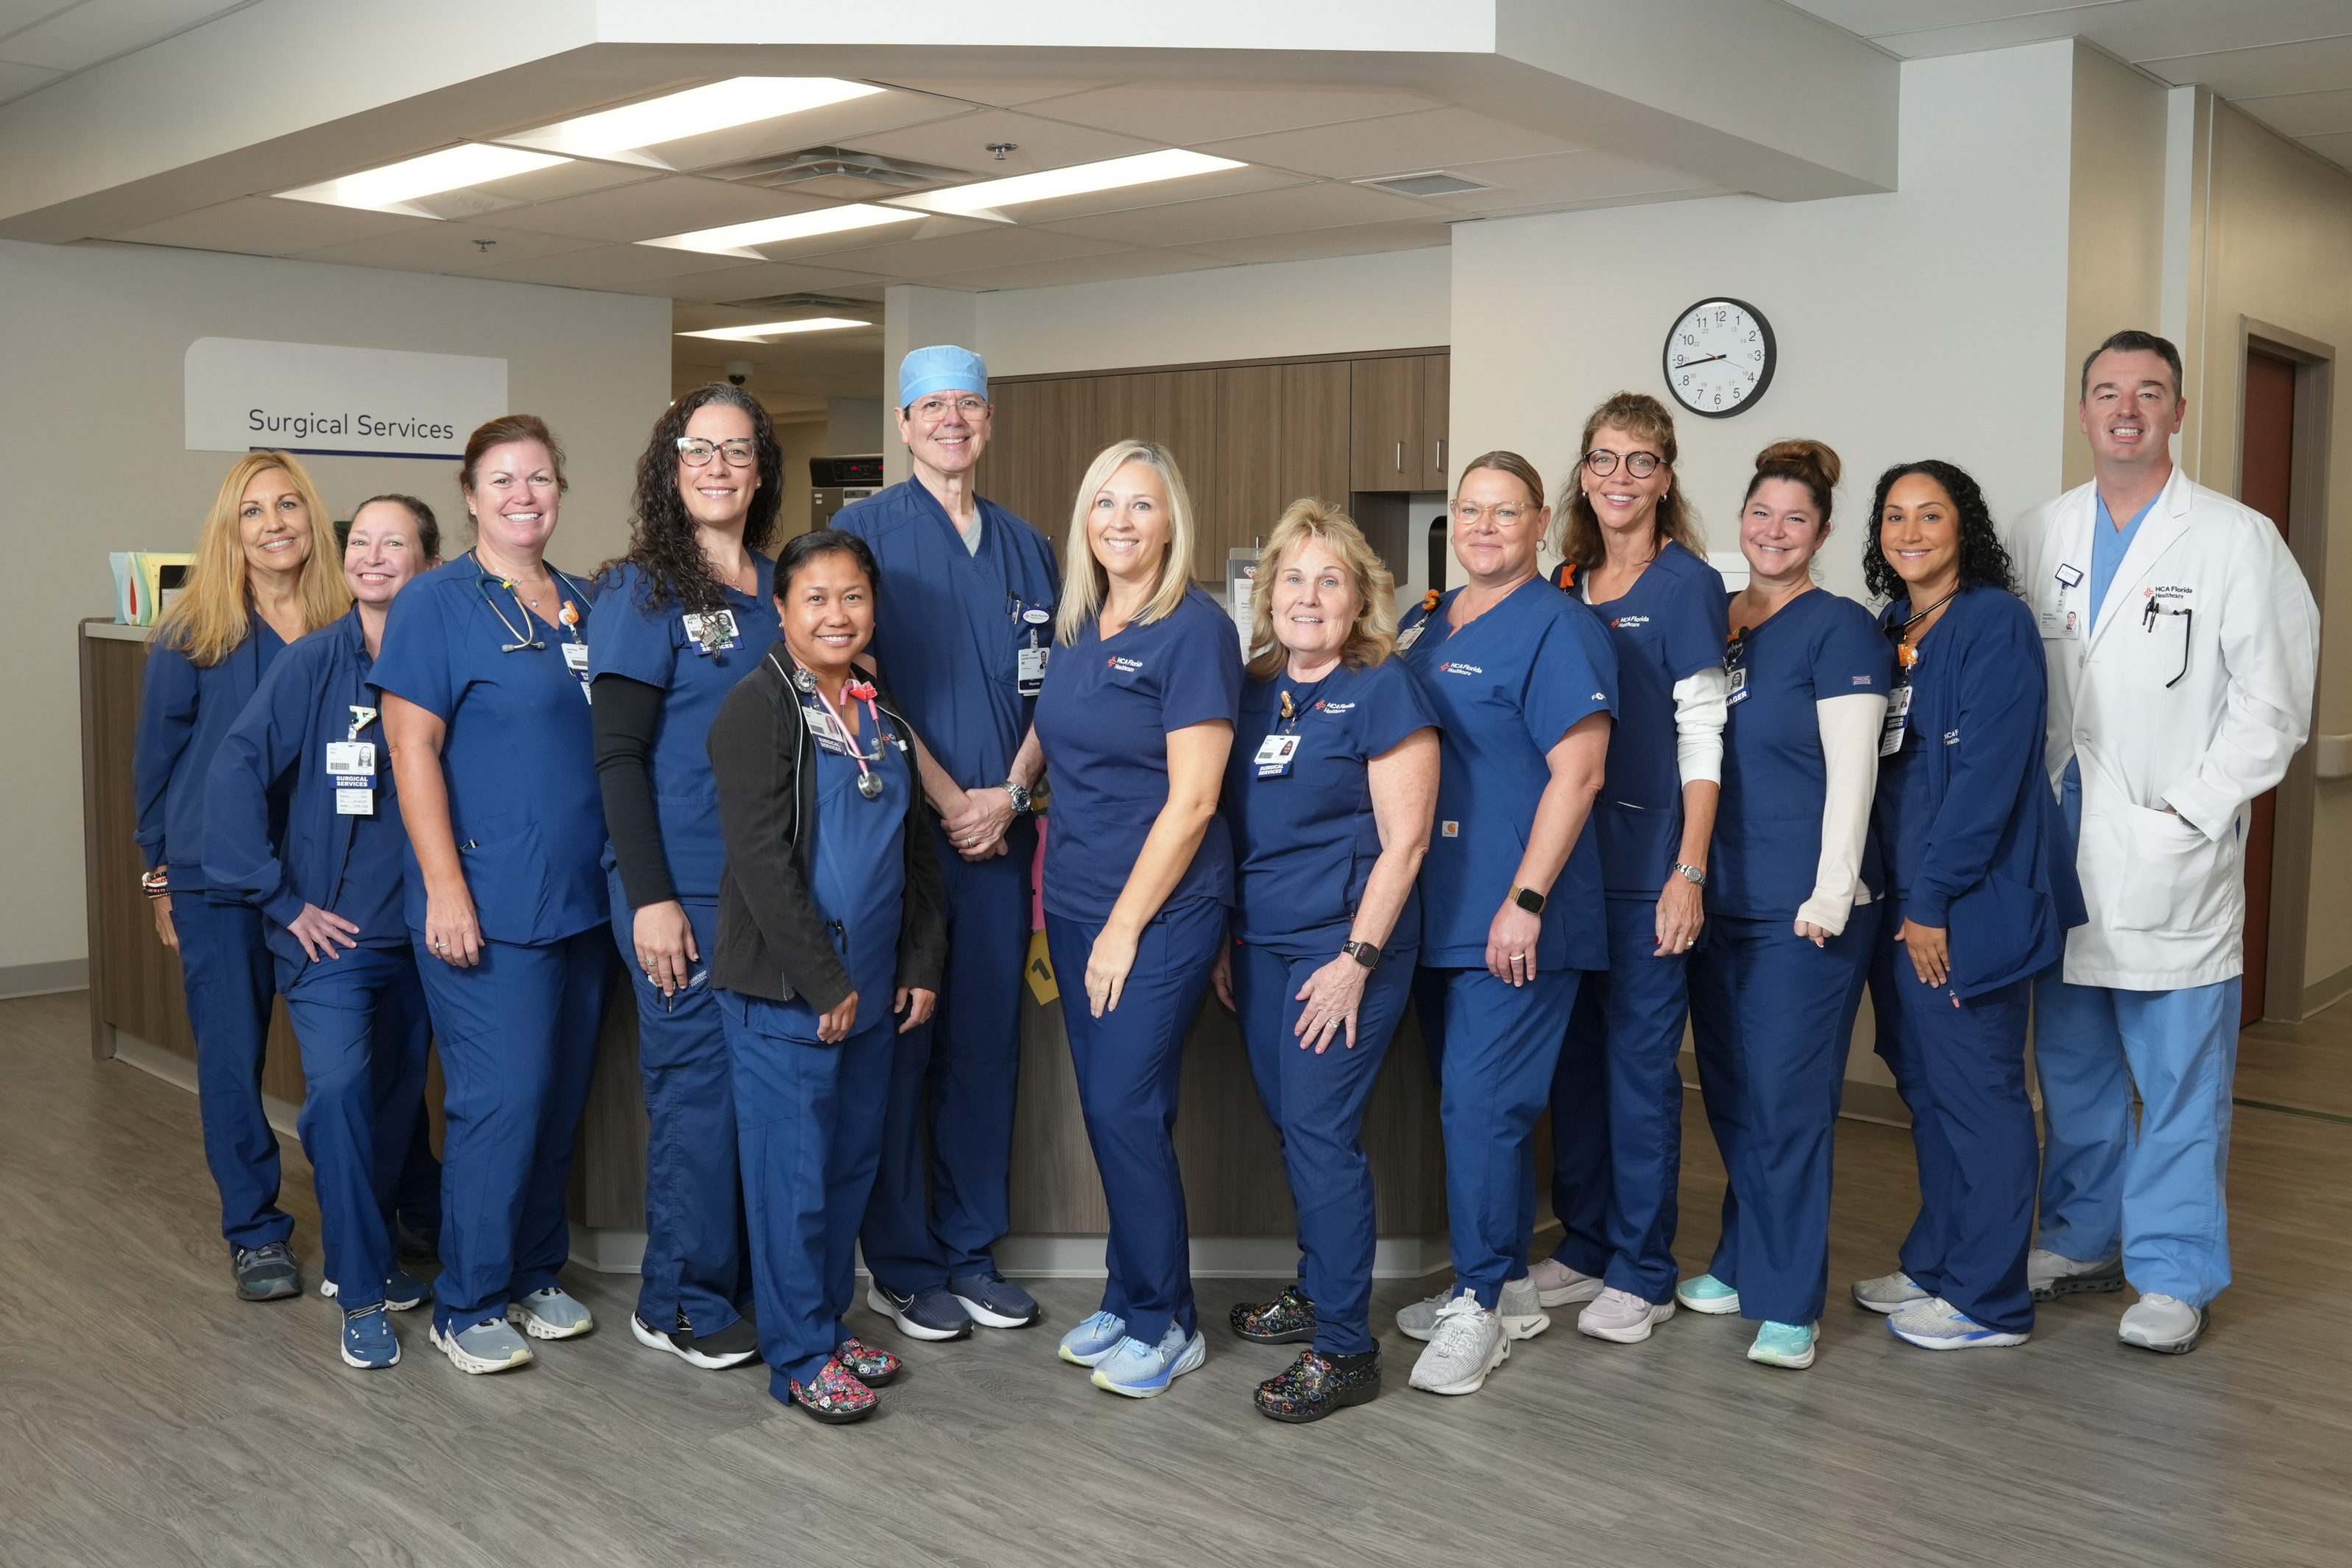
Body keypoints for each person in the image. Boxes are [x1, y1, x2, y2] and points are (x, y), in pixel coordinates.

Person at [2011, 330, 2317, 1355]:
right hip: (2059, 860)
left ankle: (2171, 1269)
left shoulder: (2233, 539)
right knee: (2074, 1069)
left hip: (2167, 854)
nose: (2124, 410)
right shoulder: (2037, 531)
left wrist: (2189, 812)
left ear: (2177, 413)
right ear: (2083, 409)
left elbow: (2271, 706)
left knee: (2178, 1078)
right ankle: (2080, 1234)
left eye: (2147, 393)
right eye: (2105, 392)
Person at [374, 414, 611, 1375]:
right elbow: (410, 747)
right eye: (503, 479)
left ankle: (530, 1270)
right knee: (499, 1100)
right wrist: (444, 888)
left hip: (583, 899)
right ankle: (467, 1297)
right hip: (485, 899)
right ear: (470, 496)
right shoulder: (436, 601)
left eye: (541, 478)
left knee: (556, 1100)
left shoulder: (586, 602)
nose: (524, 494)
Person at [834, 345, 1060, 1341]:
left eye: (969, 404)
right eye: (934, 406)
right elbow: (855, 680)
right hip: (904, 840)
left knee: (985, 1047)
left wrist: (1008, 793)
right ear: (903, 421)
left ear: (989, 420)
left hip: (1003, 836)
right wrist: (948, 796)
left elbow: (1057, 683)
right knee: (900, 1048)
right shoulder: (861, 533)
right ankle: (903, 1260)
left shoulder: (1027, 545)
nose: (953, 421)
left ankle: (970, 1248)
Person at [707, 529, 946, 1424]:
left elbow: (915, 852)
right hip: (791, 997)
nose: (837, 614)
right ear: (781, 609)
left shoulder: (880, 709)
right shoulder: (755, 709)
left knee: (847, 1172)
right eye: (816, 598)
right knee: (793, 1183)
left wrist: (917, 965)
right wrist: (825, 985)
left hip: (877, 991)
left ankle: (825, 1322)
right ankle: (798, 1355)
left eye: (853, 596)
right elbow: (763, 865)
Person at [1391, 451, 1616, 1397]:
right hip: (1439, 910)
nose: (1485, 527)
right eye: (1470, 511)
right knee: (1470, 1106)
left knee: (1483, 1110)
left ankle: (1479, 1304)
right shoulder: (1430, 621)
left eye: (1506, 512)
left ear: (1539, 522)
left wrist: (1524, 901)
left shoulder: (1560, 626)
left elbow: (1582, 773)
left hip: (1516, 916)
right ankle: (1509, 1284)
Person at [1848, 461, 2086, 1350]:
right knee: (1931, 1089)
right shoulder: (1893, 626)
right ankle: (1940, 1259)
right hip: (1905, 900)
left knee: (1979, 1094)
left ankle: (1990, 1300)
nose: (1911, 533)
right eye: (1895, 517)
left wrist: (1933, 902)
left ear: (1965, 528)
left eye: (1931, 516)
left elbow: (1986, 781)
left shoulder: (1995, 623)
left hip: (1963, 901)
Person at [1211, 501, 1438, 1422]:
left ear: (1362, 598)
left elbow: (1408, 843)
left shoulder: (1384, 687)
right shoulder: (1256, 683)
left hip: (1344, 944)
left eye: (1330, 580)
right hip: (1262, 942)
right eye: (1293, 580)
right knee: (1289, 1123)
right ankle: (1317, 1287)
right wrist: (1231, 937)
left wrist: (1355, 960)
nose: (1309, 597)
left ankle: (1344, 1347)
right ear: (1268, 595)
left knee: (1318, 1132)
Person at [204, 495, 442, 1368]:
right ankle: (363, 1283)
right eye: (362, 543)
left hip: (428, 938)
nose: (374, 556)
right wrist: (280, 898)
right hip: (333, 942)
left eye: (396, 544)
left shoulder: (445, 657)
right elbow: (233, 770)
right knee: (340, 1094)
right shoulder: (313, 662)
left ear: (428, 562)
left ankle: (369, 1250)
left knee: (392, 1104)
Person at [1034, 440, 1242, 1399]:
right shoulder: (1082, 619)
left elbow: (1194, 800)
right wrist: (1007, 785)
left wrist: (1123, 926)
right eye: (1103, 502)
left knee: (1122, 1106)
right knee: (1121, 1111)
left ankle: (1168, 1320)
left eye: (1141, 505)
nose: (1120, 520)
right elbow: (1056, 730)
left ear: (1172, 521)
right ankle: (1125, 1293)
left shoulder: (1192, 629)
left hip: (1155, 911)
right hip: (1074, 898)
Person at [1678, 439, 1887, 1371]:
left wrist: (1833, 892)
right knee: (1728, 1092)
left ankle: (1790, 1298)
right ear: (1741, 522)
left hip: (1804, 906)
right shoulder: (1720, 623)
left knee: (1788, 1100)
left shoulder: (1839, 628)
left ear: (1823, 533)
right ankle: (1738, 1256)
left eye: (1795, 519)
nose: (1773, 531)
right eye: (1760, 514)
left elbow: (1856, 777)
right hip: (1718, 895)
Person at [588, 386, 782, 1373]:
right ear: (670, 468)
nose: (716, 466)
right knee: (698, 1101)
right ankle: (679, 1299)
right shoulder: (641, 591)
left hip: (773, 899)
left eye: (735, 450)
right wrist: (651, 897)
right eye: (697, 449)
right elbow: (617, 757)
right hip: (684, 892)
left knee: (761, 1101)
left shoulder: (783, 586)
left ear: (760, 468)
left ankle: (746, 1284)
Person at [133, 451, 350, 1302]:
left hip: (324, 875)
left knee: (349, 1057)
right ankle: (256, 1232)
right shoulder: (195, 634)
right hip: (213, 877)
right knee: (232, 1058)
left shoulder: (351, 625)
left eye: (289, 505)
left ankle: (376, 1212)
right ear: (231, 532)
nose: (275, 524)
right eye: (253, 511)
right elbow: (155, 768)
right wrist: (158, 885)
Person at [1539, 392, 1728, 1343]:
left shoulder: (1686, 583)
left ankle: (1643, 1267)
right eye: (1604, 458)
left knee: (1637, 1072)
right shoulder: (1562, 583)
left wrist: (1686, 870)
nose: (1619, 477)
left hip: (1646, 863)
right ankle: (1583, 1243)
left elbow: (1703, 733)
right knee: (1571, 1067)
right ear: (1581, 471)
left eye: (1640, 461)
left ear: (1665, 476)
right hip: (1563, 869)